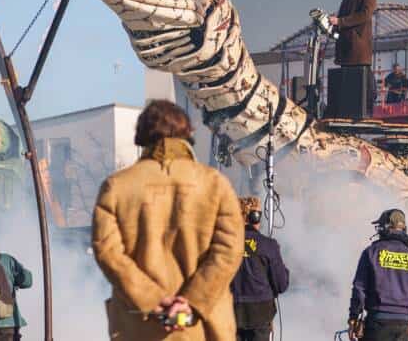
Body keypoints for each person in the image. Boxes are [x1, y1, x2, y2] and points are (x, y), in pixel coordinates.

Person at [92, 99, 243, 340]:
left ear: (141, 136)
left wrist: (154, 299)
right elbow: (229, 250)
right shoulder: (215, 184)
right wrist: (191, 301)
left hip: (139, 326)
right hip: (203, 327)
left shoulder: (116, 187)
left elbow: (108, 252)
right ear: (187, 132)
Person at [348, 209, 408, 341]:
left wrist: (353, 318)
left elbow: (359, 289)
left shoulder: (371, 252)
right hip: (403, 326)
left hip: (377, 324)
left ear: (384, 228)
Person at [230, 198, 289, 341]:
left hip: (231, 313)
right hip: (261, 315)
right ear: (255, 217)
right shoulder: (268, 245)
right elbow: (281, 285)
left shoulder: (224, 244)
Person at [329, 0, 377, 115]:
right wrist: (335, 22)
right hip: (347, 46)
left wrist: (340, 21)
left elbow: (365, 15)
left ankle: (365, 112)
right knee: (347, 84)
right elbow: (345, 15)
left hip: (357, 47)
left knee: (362, 84)